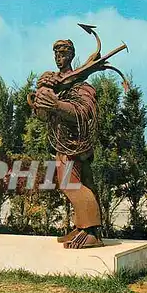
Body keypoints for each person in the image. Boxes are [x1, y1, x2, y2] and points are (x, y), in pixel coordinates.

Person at [32, 39, 104, 249]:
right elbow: (43, 116)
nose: (59, 57)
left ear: (71, 55)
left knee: (70, 185)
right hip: (62, 144)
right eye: (56, 54)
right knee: (83, 184)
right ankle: (84, 227)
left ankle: (91, 231)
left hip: (76, 145)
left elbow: (84, 112)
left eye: (63, 53)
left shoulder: (82, 87)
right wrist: (42, 94)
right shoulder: (56, 85)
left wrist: (57, 105)